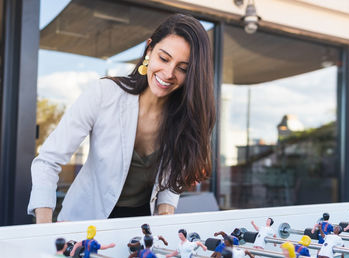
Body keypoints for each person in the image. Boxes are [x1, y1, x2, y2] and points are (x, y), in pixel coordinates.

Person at [27, 13, 216, 223]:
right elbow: (48, 161)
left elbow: (169, 183)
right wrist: (43, 228)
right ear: (149, 50)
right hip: (83, 222)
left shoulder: (183, 119)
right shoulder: (104, 94)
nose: (169, 73)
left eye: (183, 68)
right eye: (164, 58)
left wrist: (165, 219)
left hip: (141, 227)